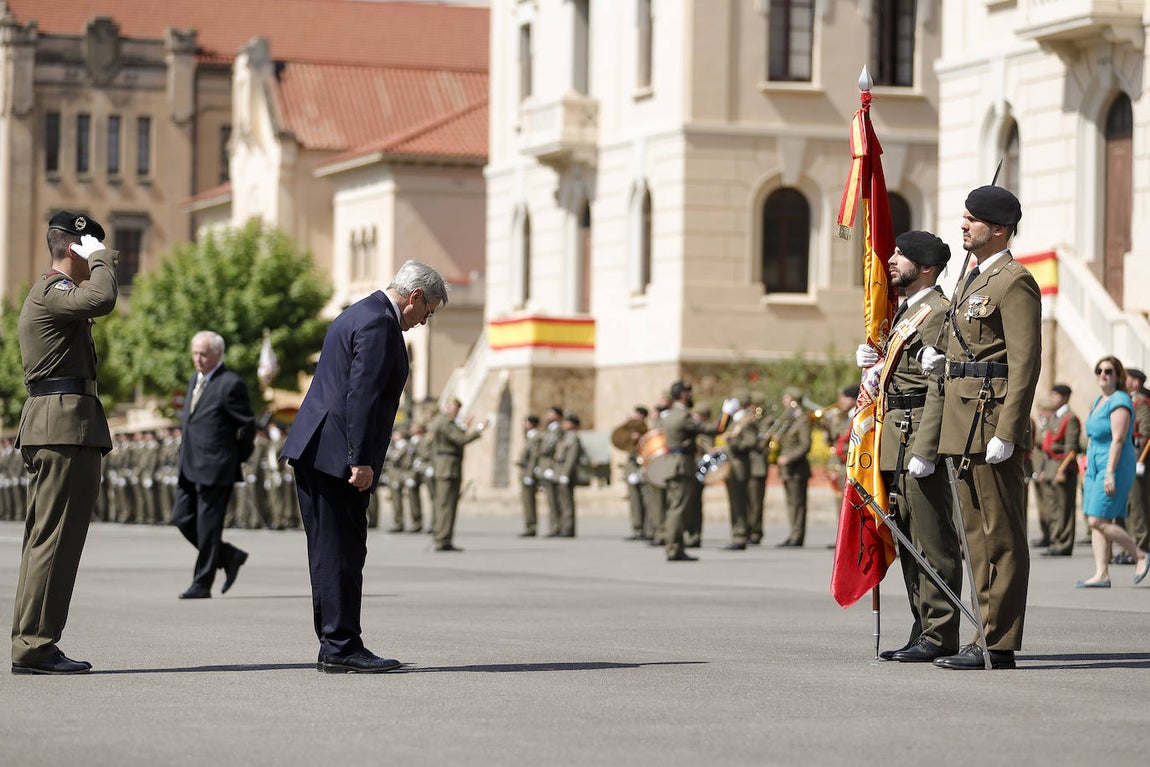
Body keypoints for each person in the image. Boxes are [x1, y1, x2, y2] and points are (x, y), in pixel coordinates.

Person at [281, 259, 445, 673]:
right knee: (342, 552)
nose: (423, 322)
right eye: (428, 312)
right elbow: (362, 395)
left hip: (318, 450)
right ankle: (342, 645)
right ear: (415, 297)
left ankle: (334, 643)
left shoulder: (357, 312)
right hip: (336, 455)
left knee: (329, 551)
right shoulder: (379, 323)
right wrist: (360, 459)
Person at [916, 185, 1041, 670]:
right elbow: (968, 347)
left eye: (973, 219)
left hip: (991, 423)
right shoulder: (973, 277)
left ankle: (998, 641)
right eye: (964, 217)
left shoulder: (1014, 282)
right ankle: (983, 633)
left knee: (1000, 537)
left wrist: (1008, 431)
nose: (963, 225)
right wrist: (940, 360)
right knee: (975, 538)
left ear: (1000, 229)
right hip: (963, 423)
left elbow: (1024, 364)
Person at [10, 211, 117, 675]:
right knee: (55, 541)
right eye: (91, 247)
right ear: (75, 247)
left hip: (61, 424)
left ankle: (31, 641)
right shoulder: (54, 290)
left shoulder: (56, 293)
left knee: (46, 540)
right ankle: (34, 646)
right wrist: (102, 258)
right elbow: (103, 297)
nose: (97, 257)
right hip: (62, 426)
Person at [856, 230, 961, 663]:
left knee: (931, 539)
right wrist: (874, 363)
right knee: (908, 540)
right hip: (894, 437)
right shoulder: (906, 311)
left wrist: (926, 447)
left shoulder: (936, 312)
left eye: (903, 255)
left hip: (917, 436)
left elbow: (937, 384)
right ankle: (923, 627)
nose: (892, 260)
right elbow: (904, 371)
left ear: (927, 268)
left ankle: (940, 632)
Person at [172, 331, 256, 599]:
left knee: (209, 529)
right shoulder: (194, 380)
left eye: (204, 354)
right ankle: (229, 555)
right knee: (181, 518)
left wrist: (233, 457)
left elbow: (247, 426)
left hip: (216, 468)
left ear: (218, 354)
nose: (198, 359)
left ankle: (202, 583)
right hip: (189, 464)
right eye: (195, 353)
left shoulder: (230, 383)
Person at [1075, 356, 1150, 588]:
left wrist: (1109, 473)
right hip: (1095, 464)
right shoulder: (1099, 400)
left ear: (1118, 376)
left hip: (1114, 464)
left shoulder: (1120, 400)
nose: (1103, 375)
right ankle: (1101, 573)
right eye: (1099, 370)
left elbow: (1118, 439)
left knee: (1097, 519)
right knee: (1097, 517)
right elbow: (1091, 435)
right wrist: (1086, 463)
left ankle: (1139, 554)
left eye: (1108, 371)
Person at [661, 381, 737, 561]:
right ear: (683, 395)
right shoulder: (683, 417)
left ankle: (674, 547)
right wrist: (726, 413)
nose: (691, 395)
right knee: (678, 509)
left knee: (674, 507)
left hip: (672, 464)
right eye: (688, 392)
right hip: (681, 465)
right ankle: (674, 549)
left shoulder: (670, 415)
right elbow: (716, 429)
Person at [430, 397, 486, 551]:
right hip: (448, 467)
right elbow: (461, 439)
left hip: (446, 466)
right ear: (448, 407)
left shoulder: (444, 421)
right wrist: (479, 428)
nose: (457, 411)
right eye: (455, 407)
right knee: (447, 505)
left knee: (445, 504)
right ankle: (442, 539)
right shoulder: (445, 422)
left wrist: (464, 426)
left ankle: (442, 537)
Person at [1036, 384, 1080, 557]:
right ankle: (1055, 540)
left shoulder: (1070, 418)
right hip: (1050, 465)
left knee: (1064, 508)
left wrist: (1063, 470)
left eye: (1056, 395)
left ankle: (1064, 543)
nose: (1053, 398)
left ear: (1065, 397)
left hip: (1062, 466)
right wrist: (1043, 470)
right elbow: (1047, 446)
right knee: (1053, 508)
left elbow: (1071, 448)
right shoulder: (1055, 417)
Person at [773, 387, 812, 547]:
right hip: (788, 470)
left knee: (798, 504)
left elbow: (805, 445)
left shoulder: (802, 421)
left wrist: (788, 458)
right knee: (791, 504)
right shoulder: (789, 420)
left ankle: (797, 536)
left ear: (794, 401)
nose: (784, 402)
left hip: (797, 469)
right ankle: (793, 534)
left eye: (786, 399)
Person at [1123, 368, 1150, 557]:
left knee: (1137, 504)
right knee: (1128, 504)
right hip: (1127, 458)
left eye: (1127, 378)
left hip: (1136, 459)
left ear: (1136, 382)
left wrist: (1140, 460)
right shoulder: (1129, 401)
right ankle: (1130, 547)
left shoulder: (1141, 403)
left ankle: (1140, 546)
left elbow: (1146, 434)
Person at [552, 411, 586, 537]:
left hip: (567, 474)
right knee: (560, 501)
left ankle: (568, 529)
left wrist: (565, 474)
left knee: (567, 503)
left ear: (573, 424)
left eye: (567, 422)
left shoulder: (574, 438)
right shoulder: (566, 437)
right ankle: (561, 527)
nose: (564, 424)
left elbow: (571, 458)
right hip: (560, 471)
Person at [517, 415, 542, 537]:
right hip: (525, 472)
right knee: (526, 501)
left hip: (529, 473)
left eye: (526, 422)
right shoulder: (529, 436)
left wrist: (530, 474)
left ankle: (531, 527)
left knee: (529, 501)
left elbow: (534, 457)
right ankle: (529, 525)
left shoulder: (536, 437)